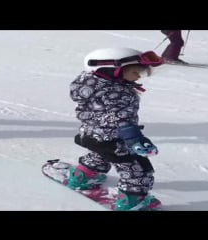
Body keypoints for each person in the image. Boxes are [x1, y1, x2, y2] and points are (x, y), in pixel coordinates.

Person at [68, 47, 163, 211]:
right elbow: (122, 119)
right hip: (115, 139)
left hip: (93, 135)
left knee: (101, 155)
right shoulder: (118, 93)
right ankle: (132, 201)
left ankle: (83, 177)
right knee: (137, 170)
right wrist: (136, 140)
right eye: (135, 72)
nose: (139, 76)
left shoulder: (91, 84)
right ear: (112, 70)